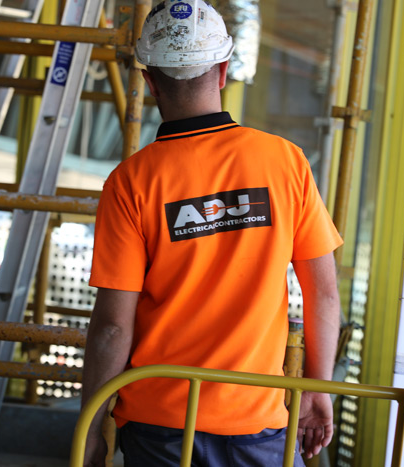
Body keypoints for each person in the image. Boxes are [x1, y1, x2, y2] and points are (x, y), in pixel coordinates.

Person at [81, 0, 343, 465]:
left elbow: (113, 325)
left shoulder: (131, 182)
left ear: (149, 81)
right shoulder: (285, 162)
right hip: (256, 419)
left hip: (160, 425)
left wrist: (91, 427)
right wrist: (316, 388)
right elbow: (322, 293)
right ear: (223, 71)